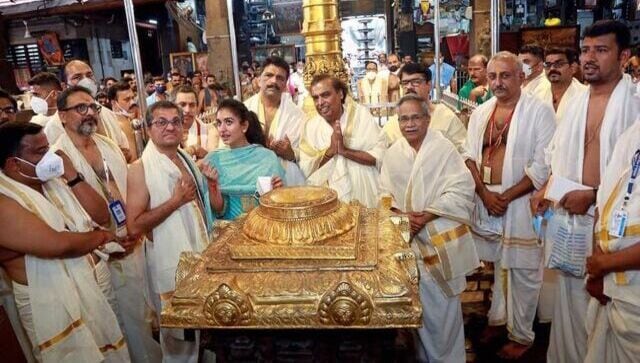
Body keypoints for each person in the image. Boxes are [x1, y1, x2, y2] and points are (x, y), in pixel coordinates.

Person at [530, 20, 639, 363]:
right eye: (586, 50)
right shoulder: (575, 102)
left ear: (623, 57)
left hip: (607, 228)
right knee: (569, 308)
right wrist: (547, 186)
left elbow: (631, 181)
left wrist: (591, 196)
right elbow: (557, 152)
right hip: (568, 220)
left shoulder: (633, 107)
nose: (590, 57)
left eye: (601, 50)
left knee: (599, 312)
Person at [0, 122, 129, 362]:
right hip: (51, 305)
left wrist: (70, 174)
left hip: (92, 287)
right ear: (13, 164)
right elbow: (58, 245)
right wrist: (101, 237)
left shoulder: (53, 182)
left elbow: (101, 216)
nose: (50, 156)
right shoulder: (4, 201)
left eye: (48, 148)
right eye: (40, 153)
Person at [50, 86, 161, 362]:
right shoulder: (56, 159)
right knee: (109, 324)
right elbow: (64, 215)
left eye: (93, 107)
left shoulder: (108, 145)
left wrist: (134, 227)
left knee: (140, 317)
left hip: (130, 243)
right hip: (94, 255)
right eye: (80, 108)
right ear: (62, 116)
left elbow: (130, 190)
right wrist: (105, 239)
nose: (90, 113)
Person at [463, 51, 556, 359]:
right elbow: (468, 157)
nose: (498, 82)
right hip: (488, 199)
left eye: (505, 76)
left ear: (521, 77)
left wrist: (507, 195)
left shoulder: (539, 112)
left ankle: (523, 335)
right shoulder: (482, 112)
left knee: (524, 269)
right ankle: (498, 318)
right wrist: (485, 194)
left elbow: (543, 164)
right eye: (493, 76)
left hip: (519, 201)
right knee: (498, 266)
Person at [379, 95, 479, 363]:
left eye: (415, 117)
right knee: (419, 312)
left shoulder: (443, 149)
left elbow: (462, 189)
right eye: (403, 118)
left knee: (444, 313)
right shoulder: (393, 153)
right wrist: (402, 217)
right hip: (409, 244)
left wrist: (424, 217)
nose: (409, 124)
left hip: (439, 240)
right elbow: (384, 195)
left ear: (427, 119)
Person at [127, 101, 214, 363]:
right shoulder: (139, 169)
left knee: (206, 335)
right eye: (161, 122)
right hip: (170, 264)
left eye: (175, 121)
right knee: (179, 344)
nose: (170, 127)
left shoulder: (186, 158)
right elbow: (135, 225)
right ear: (148, 129)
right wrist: (175, 201)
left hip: (199, 257)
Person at [583, 119, 640, 363]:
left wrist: (604, 265)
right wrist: (599, 266)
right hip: (610, 281)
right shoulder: (633, 131)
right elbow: (607, 198)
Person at [300, 75, 384, 208]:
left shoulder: (361, 116)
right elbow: (306, 168)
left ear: (340, 94)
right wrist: (330, 152)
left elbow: (380, 156)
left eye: (325, 95)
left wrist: (345, 151)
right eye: (315, 97)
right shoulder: (311, 127)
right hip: (326, 203)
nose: (320, 102)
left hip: (365, 196)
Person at [201, 99, 284, 220]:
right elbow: (218, 211)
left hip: (262, 228)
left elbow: (277, 206)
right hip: (227, 232)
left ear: (244, 126)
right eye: (218, 123)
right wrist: (213, 186)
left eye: (228, 122)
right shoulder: (213, 160)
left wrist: (277, 192)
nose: (222, 129)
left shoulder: (267, 158)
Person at [45, 60, 130, 159]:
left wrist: (121, 157)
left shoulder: (108, 114)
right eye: (77, 77)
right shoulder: (54, 126)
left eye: (89, 75)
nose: (86, 81)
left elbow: (124, 150)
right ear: (64, 86)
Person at [244, 56, 306, 185]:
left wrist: (291, 154)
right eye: (269, 75)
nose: (273, 81)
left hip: (286, 181)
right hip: (249, 177)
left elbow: (307, 154)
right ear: (259, 79)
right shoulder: (244, 109)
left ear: (285, 84)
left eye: (280, 78)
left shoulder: (297, 115)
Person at [382, 63, 467, 152]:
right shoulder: (393, 123)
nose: (409, 87)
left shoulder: (446, 117)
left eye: (416, 82)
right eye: (405, 83)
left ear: (429, 85)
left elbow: (463, 152)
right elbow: (381, 154)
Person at [532, 46, 588, 122]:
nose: (552, 69)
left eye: (558, 64)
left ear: (573, 67)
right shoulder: (537, 94)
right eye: (548, 65)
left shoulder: (585, 95)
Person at [175, 85, 219, 158]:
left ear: (197, 107)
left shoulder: (210, 131)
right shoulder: (164, 133)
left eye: (192, 105)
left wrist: (200, 152)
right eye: (182, 105)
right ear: (173, 106)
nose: (187, 110)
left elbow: (214, 163)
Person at [108, 82, 142, 161]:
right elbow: (134, 158)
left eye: (133, 98)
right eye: (127, 99)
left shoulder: (131, 120)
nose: (132, 102)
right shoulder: (120, 124)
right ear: (114, 103)